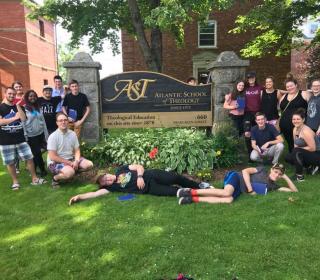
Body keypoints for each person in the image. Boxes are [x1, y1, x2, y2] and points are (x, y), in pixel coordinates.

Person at [68, 164, 212, 205]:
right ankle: (191, 194)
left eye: (105, 177)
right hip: (149, 188)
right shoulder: (112, 188)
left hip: (150, 175)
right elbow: (95, 194)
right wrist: (79, 197)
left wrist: (140, 177)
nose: (107, 181)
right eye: (104, 182)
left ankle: (199, 186)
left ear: (106, 173)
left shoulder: (121, 170)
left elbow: (138, 166)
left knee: (175, 177)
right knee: (171, 192)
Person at [177, 163, 298, 205]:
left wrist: (286, 177)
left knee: (228, 200)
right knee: (226, 193)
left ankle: (192, 199)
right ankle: (190, 191)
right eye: (275, 171)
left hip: (240, 189)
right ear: (271, 169)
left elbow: (294, 191)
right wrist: (250, 190)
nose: (276, 175)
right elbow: (245, 171)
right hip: (236, 177)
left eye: (279, 174)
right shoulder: (261, 169)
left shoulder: (274, 187)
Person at [0, 87, 46, 190]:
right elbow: (0, 122)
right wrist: (15, 118)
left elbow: (24, 119)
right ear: (5, 94)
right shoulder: (1, 107)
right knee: (10, 162)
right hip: (5, 140)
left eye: (13, 94)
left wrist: (17, 106)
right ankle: (15, 182)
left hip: (20, 139)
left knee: (29, 158)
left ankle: (34, 179)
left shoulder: (20, 107)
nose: (12, 96)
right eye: (10, 94)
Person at [47, 112, 93, 188]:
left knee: (89, 165)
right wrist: (69, 163)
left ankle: (72, 171)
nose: (63, 122)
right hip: (55, 162)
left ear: (68, 121)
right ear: (57, 123)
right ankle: (55, 179)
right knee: (69, 173)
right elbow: (53, 157)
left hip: (71, 158)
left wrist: (76, 161)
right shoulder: (53, 137)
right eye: (60, 120)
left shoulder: (72, 134)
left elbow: (77, 150)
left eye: (65, 120)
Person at [285, 109, 320, 181]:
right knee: (288, 157)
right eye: (293, 119)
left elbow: (313, 148)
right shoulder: (295, 129)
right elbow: (295, 144)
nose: (295, 121)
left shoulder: (306, 131)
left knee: (296, 152)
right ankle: (309, 166)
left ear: (303, 120)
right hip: (308, 153)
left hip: (317, 154)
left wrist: (298, 150)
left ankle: (299, 176)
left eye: (298, 119)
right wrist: (296, 150)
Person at [279, 74, 310, 152]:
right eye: (287, 87)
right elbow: (281, 109)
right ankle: (292, 155)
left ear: (296, 85)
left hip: (299, 125)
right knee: (290, 142)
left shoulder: (304, 94)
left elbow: (312, 108)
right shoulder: (284, 96)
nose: (290, 88)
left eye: (291, 86)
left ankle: (301, 156)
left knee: (300, 142)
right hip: (285, 126)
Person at [24, 90, 49, 177]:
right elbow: (23, 123)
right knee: (37, 153)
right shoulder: (24, 109)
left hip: (41, 133)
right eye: (30, 96)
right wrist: (25, 136)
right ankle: (42, 170)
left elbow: (43, 121)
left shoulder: (38, 107)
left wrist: (46, 134)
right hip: (31, 135)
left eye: (34, 96)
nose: (32, 98)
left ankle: (33, 169)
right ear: (27, 97)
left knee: (37, 153)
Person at [243, 71, 263, 160]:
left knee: (258, 133)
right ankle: (250, 154)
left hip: (257, 113)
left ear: (255, 78)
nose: (251, 79)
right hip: (247, 113)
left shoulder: (260, 87)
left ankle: (259, 153)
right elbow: (236, 93)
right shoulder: (245, 88)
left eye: (252, 78)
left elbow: (272, 91)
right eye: (249, 78)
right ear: (247, 79)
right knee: (247, 133)